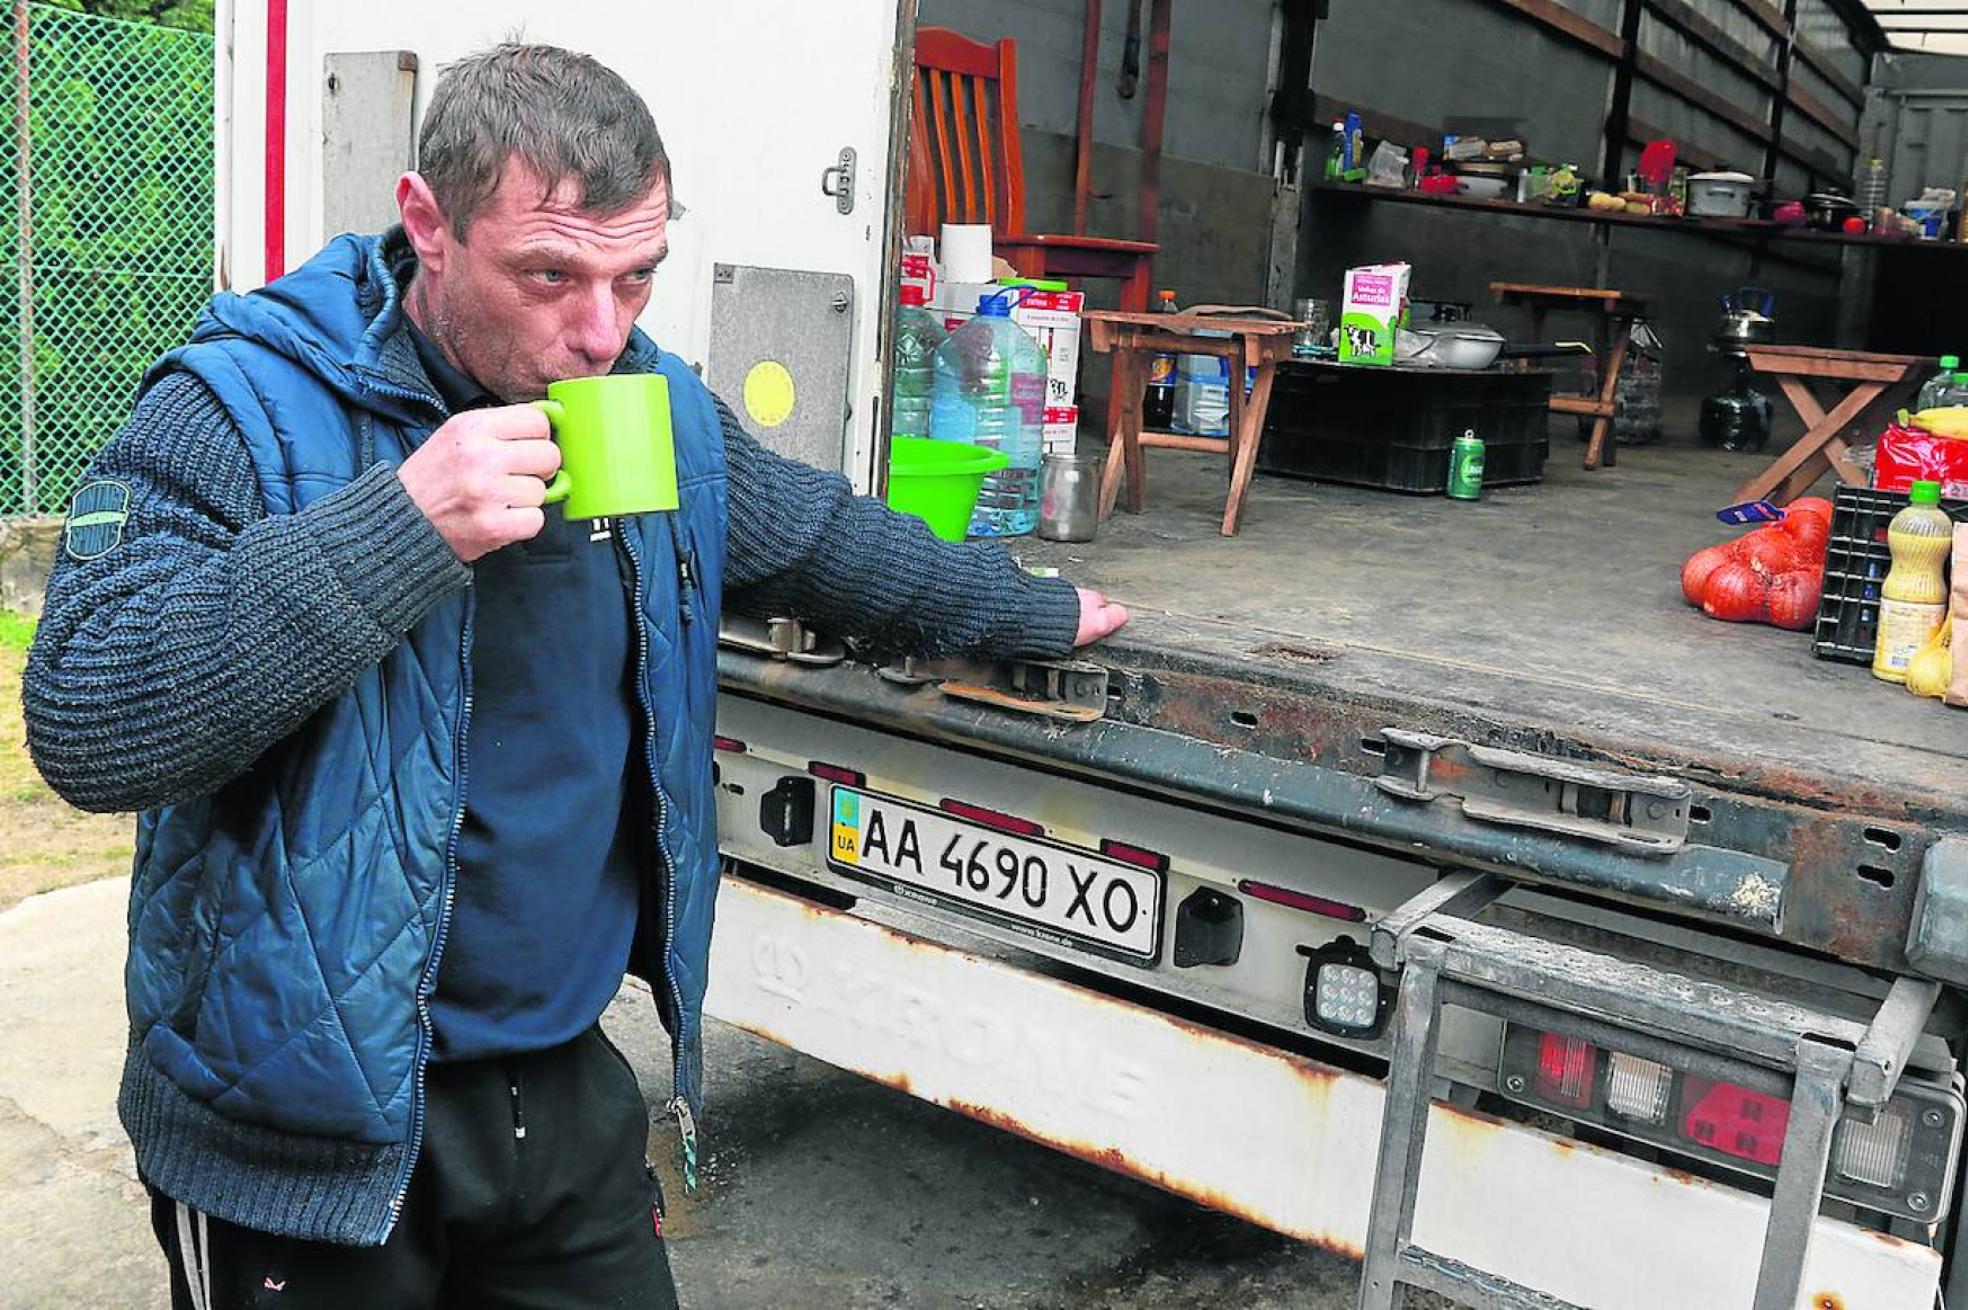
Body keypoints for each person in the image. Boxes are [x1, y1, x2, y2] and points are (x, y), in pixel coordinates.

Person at [22, 42, 1127, 1309]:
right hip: (297, 1121)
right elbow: (88, 720)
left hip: (558, 1085)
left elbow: (815, 537)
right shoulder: (241, 405)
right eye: (549, 273)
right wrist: (400, 527)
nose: (599, 331)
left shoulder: (640, 401)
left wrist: (1026, 611)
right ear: (428, 224)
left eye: (635, 276)